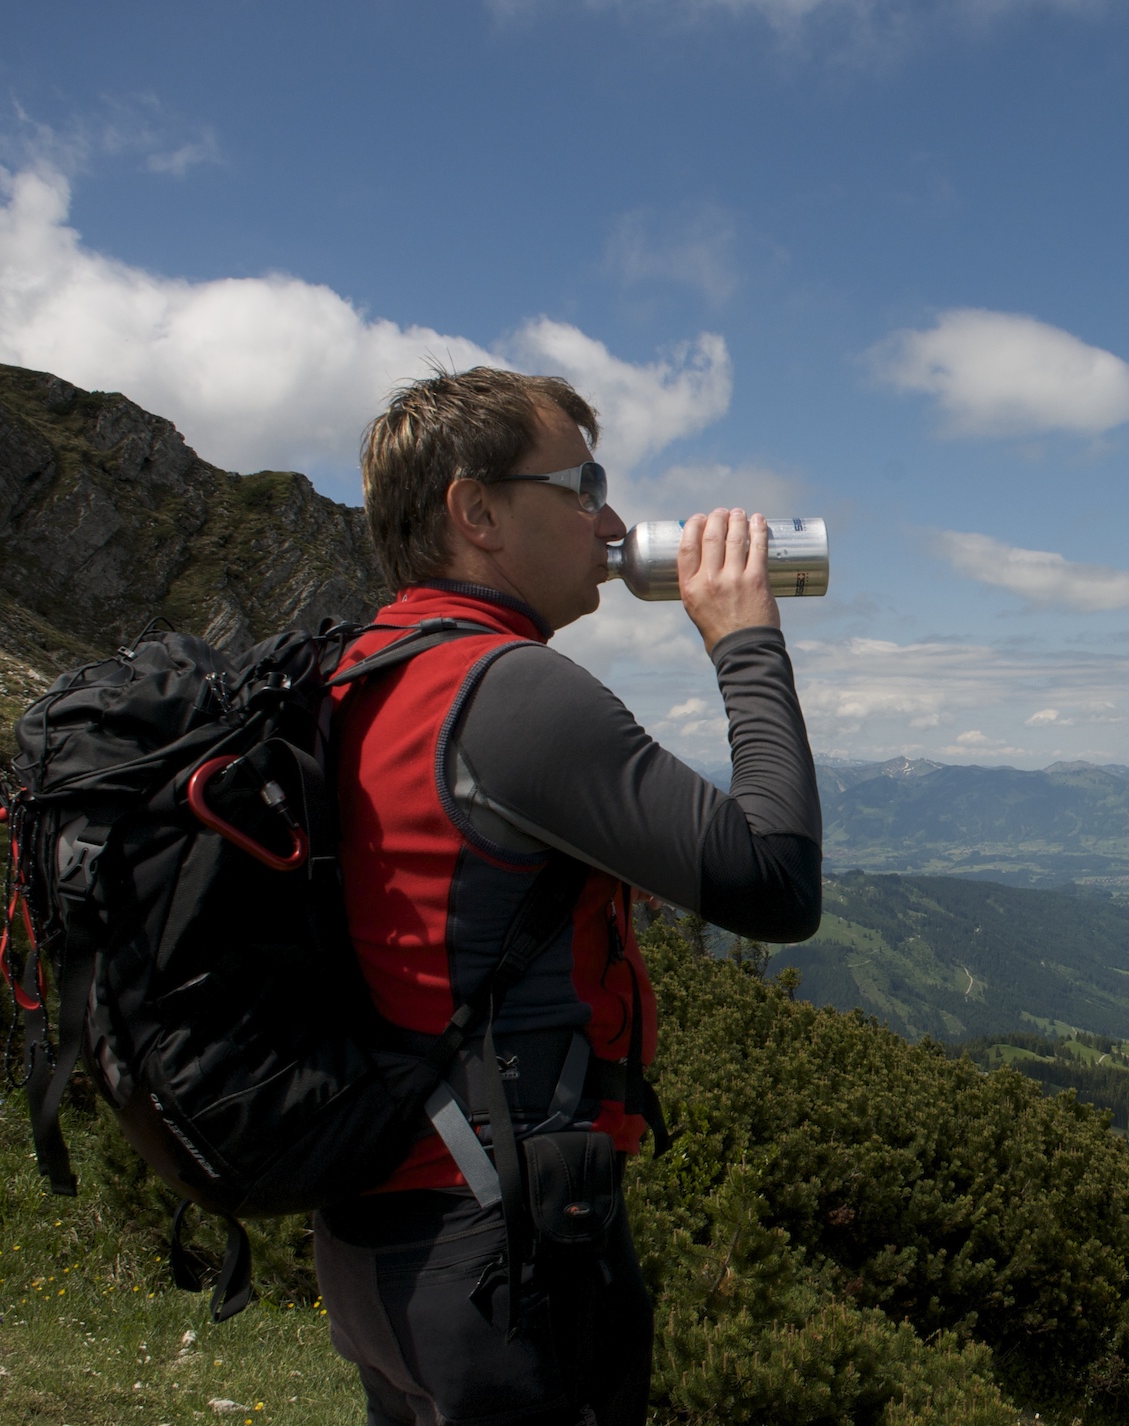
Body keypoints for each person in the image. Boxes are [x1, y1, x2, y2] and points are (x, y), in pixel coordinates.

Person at [310, 367, 822, 1426]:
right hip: (504, 1246)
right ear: (477, 512)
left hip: (381, 1233)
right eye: (583, 486)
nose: (616, 520)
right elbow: (774, 880)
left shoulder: (359, 670)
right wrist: (745, 638)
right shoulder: (510, 692)